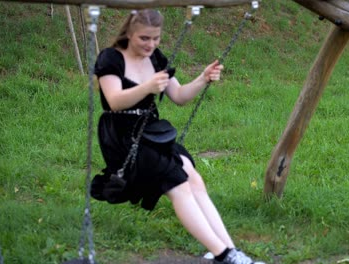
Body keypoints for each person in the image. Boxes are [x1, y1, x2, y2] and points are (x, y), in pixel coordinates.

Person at [90, 9, 264, 264]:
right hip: (123, 135)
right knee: (178, 183)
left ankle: (230, 249)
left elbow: (180, 96)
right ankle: (224, 256)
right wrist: (147, 87)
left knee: (194, 179)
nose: (151, 44)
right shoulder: (111, 59)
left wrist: (203, 78)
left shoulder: (155, 59)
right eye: (144, 39)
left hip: (151, 130)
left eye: (156, 38)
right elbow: (114, 101)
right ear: (129, 33)